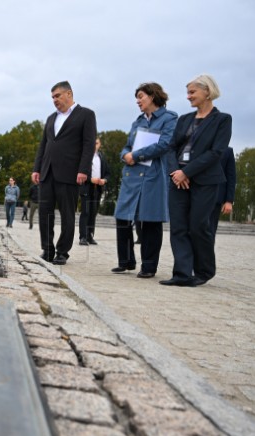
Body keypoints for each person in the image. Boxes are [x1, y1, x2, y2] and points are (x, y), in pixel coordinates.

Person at [161, 74, 232, 287]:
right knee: (179, 227)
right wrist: (176, 172)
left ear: (207, 92)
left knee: (198, 226)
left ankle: (203, 271)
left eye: (192, 92)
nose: (188, 96)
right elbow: (171, 148)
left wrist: (187, 172)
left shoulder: (222, 120)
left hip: (204, 180)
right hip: (178, 179)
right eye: (188, 92)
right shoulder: (184, 120)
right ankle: (182, 273)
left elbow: (216, 152)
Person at [112, 83, 178, 278]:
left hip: (153, 176)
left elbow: (165, 144)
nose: (138, 101)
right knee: (122, 217)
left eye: (141, 96)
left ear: (152, 96)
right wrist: (125, 155)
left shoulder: (169, 118)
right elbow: (126, 146)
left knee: (150, 220)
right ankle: (125, 261)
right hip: (132, 175)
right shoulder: (138, 121)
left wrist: (136, 155)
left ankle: (149, 267)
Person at [32, 81, 97, 265]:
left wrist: (84, 169)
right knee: (44, 213)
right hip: (47, 172)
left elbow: (88, 144)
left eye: (57, 96)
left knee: (67, 215)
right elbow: (43, 145)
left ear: (69, 94)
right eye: (52, 97)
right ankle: (47, 248)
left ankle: (62, 252)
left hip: (70, 173)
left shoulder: (86, 115)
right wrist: (36, 168)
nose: (54, 100)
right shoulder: (51, 118)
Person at [79, 137, 110, 245]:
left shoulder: (102, 157)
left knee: (93, 213)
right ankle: (82, 237)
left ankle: (90, 236)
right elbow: (78, 172)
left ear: (99, 144)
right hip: (86, 187)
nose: (94, 145)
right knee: (85, 212)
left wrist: (104, 180)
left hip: (97, 188)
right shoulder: (84, 157)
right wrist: (89, 179)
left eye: (96, 143)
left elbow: (107, 173)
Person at [211, 146, 236, 237]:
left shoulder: (228, 151)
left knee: (210, 231)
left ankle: (208, 251)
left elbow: (231, 177)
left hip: (216, 198)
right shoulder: (199, 146)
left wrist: (229, 201)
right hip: (196, 196)